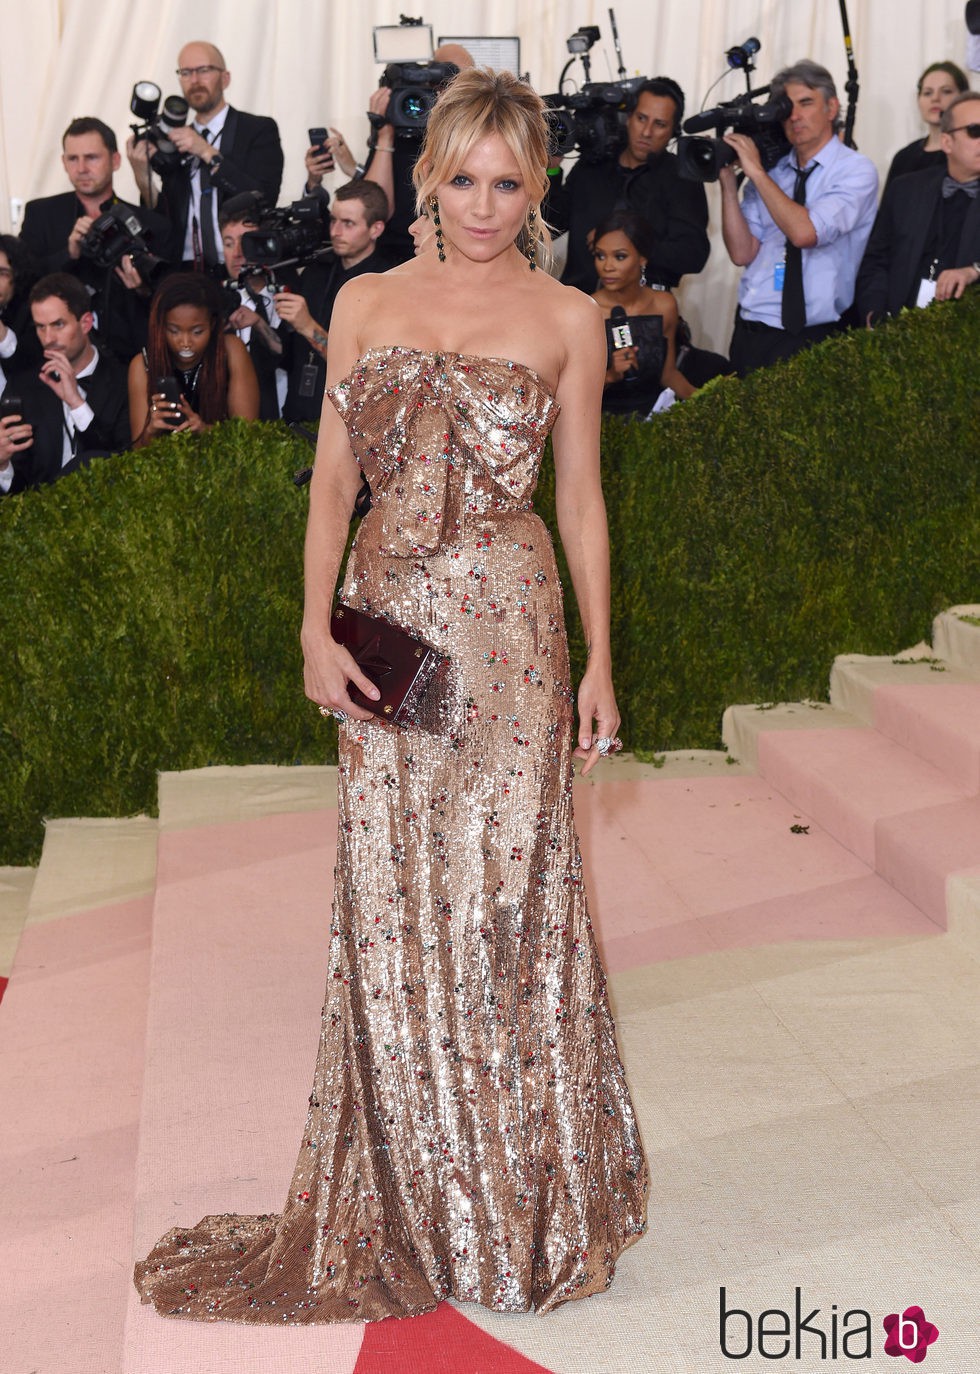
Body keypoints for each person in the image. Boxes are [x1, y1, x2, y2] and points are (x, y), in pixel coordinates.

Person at [134, 66, 647, 1324]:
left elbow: (578, 500)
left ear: (536, 188)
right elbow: (329, 488)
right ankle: (415, 1186)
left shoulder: (569, 317)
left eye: (506, 182)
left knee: (506, 896)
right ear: (428, 179)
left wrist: (601, 657)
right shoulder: (361, 300)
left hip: (513, 634)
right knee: (393, 895)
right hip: (390, 630)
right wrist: (312, 628)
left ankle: (516, 1192)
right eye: (461, 179)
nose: (482, 205)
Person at [719, 59, 878, 377]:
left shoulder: (855, 169)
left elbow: (806, 233)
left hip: (815, 335)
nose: (794, 116)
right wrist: (726, 183)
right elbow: (741, 252)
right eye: (786, 107)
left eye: (806, 103)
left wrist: (755, 172)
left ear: (831, 108)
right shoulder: (771, 173)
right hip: (752, 329)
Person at [19, 117, 175, 364]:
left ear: (115, 160)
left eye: (92, 157)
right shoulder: (41, 215)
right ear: (63, 162)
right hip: (53, 358)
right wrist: (69, 254)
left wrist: (143, 290)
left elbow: (172, 301)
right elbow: (20, 283)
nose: (81, 168)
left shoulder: (152, 225)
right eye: (73, 159)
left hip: (129, 360)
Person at [127, 41, 283, 272]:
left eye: (204, 70)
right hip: (187, 268)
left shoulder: (257, 129)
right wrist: (143, 178)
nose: (195, 80)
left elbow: (264, 197)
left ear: (225, 78)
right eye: (186, 72)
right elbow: (165, 220)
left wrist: (207, 152)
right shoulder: (172, 142)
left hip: (242, 264)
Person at [548, 77, 710, 293]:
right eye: (641, 118)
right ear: (628, 117)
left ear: (673, 131)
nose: (646, 132)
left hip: (642, 314)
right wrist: (552, 169)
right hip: (580, 305)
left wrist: (627, 244)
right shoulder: (591, 165)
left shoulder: (682, 178)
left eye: (659, 124)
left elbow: (693, 255)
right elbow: (550, 226)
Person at [857, 90, 980, 325]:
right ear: (947, 141)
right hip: (896, 332)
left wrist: (974, 271)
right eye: (975, 131)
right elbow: (876, 260)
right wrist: (874, 314)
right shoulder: (906, 189)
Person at [0, 273, 130, 496]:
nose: (48, 337)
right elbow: (20, 491)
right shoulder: (24, 386)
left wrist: (76, 403)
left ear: (86, 323)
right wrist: (3, 465)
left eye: (58, 324)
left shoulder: (123, 380)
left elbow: (125, 463)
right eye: (40, 327)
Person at [276, 179, 390, 422]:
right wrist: (257, 325)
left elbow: (366, 372)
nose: (335, 231)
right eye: (333, 220)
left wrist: (308, 327)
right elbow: (287, 351)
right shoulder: (314, 272)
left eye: (348, 223)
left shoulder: (386, 284)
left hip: (346, 425)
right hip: (297, 414)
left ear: (376, 229)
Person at [128, 271, 259, 446]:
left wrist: (204, 430)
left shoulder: (231, 351)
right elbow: (136, 455)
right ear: (161, 326)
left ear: (212, 325)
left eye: (197, 332)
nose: (185, 342)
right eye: (174, 331)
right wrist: (151, 431)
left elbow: (248, 436)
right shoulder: (143, 365)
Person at [590, 209, 694, 415]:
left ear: (642, 259)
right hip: (602, 422)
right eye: (600, 255)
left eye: (619, 257)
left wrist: (708, 399)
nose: (607, 266)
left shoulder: (664, 305)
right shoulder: (587, 310)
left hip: (652, 417)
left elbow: (669, 374)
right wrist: (610, 375)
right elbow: (570, 389)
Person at [219, 193, 289, 420]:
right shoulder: (215, 302)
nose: (237, 253)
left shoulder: (290, 294)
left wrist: (259, 323)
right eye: (228, 243)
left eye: (245, 242)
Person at [884, 61, 970, 188]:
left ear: (963, 98)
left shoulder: (970, 154)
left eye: (946, 91)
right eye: (927, 93)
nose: (935, 98)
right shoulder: (904, 157)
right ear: (918, 100)